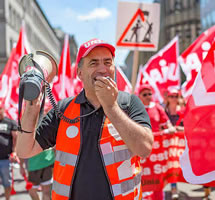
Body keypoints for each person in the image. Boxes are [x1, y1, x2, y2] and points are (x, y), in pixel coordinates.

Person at [16, 38, 154, 200]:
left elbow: (145, 149)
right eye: (94, 63)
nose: (103, 69)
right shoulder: (63, 110)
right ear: (79, 73)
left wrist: (111, 108)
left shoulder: (130, 103)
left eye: (107, 62)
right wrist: (32, 107)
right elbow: (24, 150)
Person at [138, 84, 176, 200]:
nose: (148, 96)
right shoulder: (134, 108)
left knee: (157, 179)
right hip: (141, 150)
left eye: (150, 94)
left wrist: (170, 129)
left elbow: (167, 124)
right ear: (139, 96)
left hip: (156, 151)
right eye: (145, 94)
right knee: (142, 178)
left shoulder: (157, 107)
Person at [165, 89, 185, 200]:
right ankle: (170, 189)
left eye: (176, 96)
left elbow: (188, 127)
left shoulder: (182, 111)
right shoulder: (163, 111)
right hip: (166, 143)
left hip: (179, 144)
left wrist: (177, 129)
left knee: (175, 166)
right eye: (171, 96)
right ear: (167, 98)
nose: (174, 98)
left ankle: (174, 188)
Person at [0, 102, 19, 200]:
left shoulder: (10, 122)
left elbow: (15, 138)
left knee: (7, 183)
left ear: (3, 109)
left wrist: (14, 152)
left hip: (5, 159)